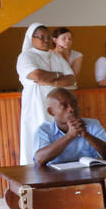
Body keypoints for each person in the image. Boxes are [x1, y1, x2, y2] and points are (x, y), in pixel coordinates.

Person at [32, 88, 106, 209]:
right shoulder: (44, 130)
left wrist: (85, 134)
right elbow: (40, 159)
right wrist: (70, 136)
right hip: (57, 192)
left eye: (74, 104)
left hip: (90, 188)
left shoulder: (91, 125)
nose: (72, 109)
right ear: (51, 111)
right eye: (65, 106)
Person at [16, 24, 76, 165]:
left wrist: (51, 81)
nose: (45, 40)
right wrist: (57, 75)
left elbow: (71, 78)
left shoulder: (55, 56)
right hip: (36, 101)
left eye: (48, 37)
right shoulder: (26, 56)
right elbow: (36, 75)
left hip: (59, 103)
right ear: (32, 39)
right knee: (37, 130)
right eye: (41, 37)